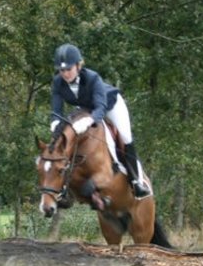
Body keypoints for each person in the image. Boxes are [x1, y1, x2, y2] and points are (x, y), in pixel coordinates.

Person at [50, 43, 152, 198]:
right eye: (61, 70)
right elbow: (56, 111)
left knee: (125, 136)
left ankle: (137, 181)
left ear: (78, 66)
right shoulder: (58, 82)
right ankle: (64, 187)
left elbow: (100, 108)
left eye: (69, 69)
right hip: (85, 108)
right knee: (67, 137)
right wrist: (55, 124)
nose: (65, 74)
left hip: (110, 105)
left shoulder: (93, 78)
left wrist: (88, 121)